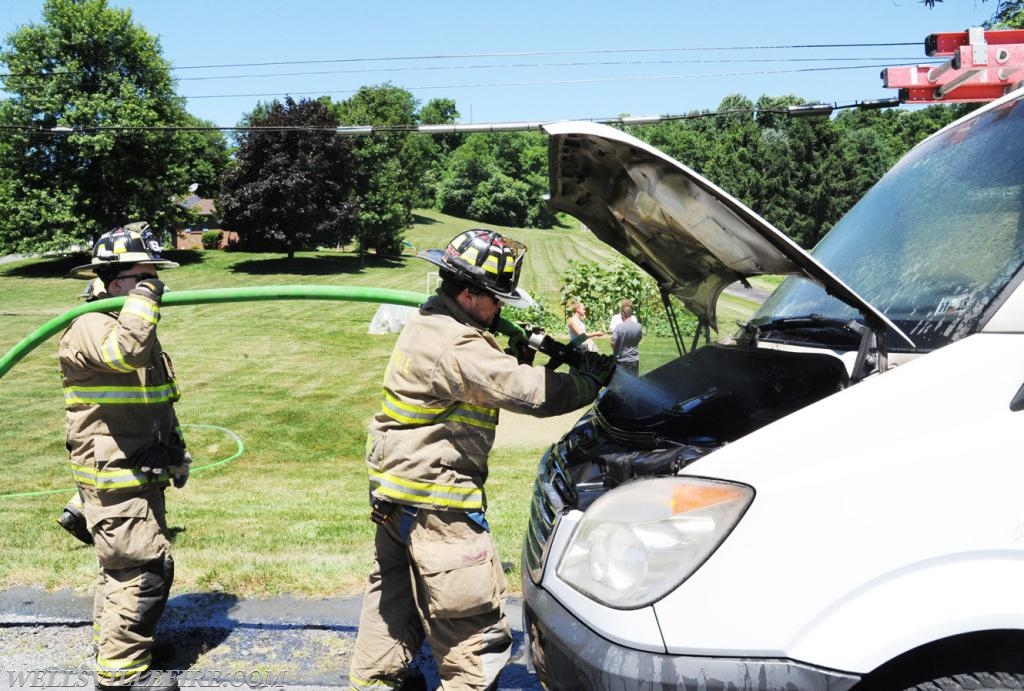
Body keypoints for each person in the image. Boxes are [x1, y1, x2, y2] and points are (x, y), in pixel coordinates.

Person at [348, 229, 616, 691]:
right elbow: (528, 393)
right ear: (469, 294)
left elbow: (471, 380)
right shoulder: (458, 344)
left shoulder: (429, 321)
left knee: (393, 607)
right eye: (495, 300)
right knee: (470, 626)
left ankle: (372, 684)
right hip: (438, 503)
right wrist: (588, 381)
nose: (499, 310)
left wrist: (512, 354)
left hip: (397, 496)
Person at [60, 222, 190, 691]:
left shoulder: (126, 321)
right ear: (115, 282)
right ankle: (122, 676)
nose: (156, 286)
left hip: (136, 468)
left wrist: (175, 448)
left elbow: (156, 396)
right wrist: (143, 302)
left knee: (124, 567)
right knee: (142, 569)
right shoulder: (93, 327)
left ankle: (122, 647)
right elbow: (130, 352)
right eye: (145, 277)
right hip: (114, 475)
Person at [610, 298, 644, 376]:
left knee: (621, 383)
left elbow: (613, 342)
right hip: (634, 359)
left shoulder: (619, 327)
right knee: (634, 381)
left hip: (621, 360)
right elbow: (639, 338)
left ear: (623, 313)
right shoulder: (638, 326)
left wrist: (616, 351)